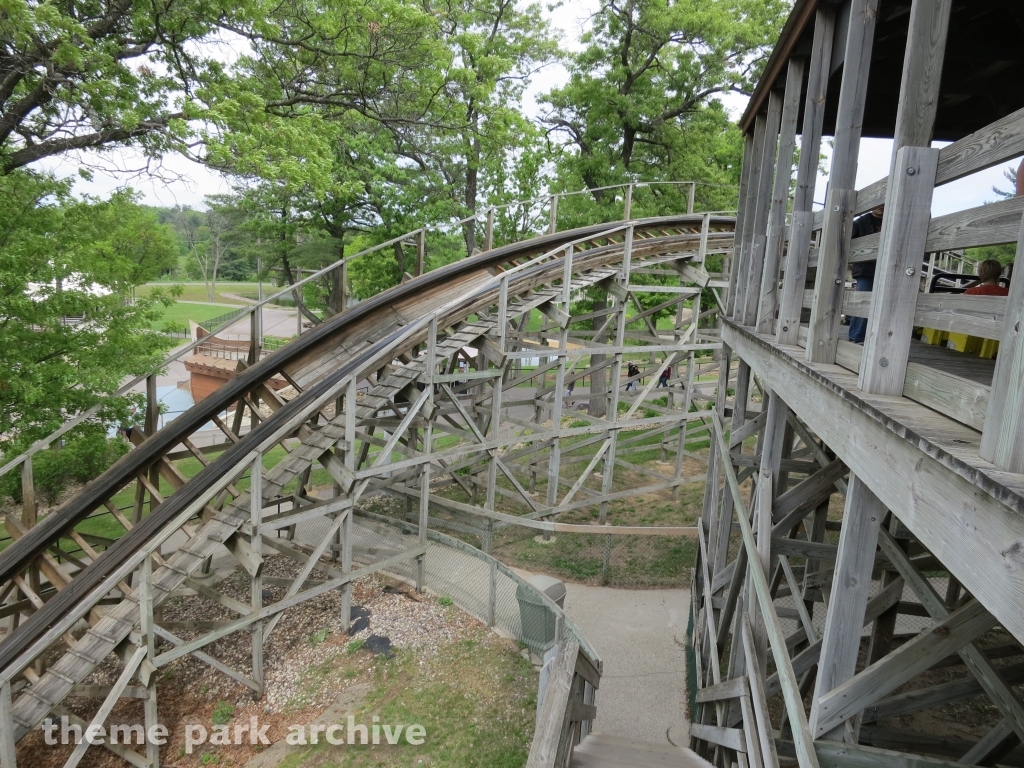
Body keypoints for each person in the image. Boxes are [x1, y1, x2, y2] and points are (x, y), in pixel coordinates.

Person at [847, 205, 885, 344]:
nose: (881, 207)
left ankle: (877, 339)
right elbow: (848, 243)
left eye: (884, 204)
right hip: (866, 269)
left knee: (884, 305)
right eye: (878, 204)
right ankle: (856, 338)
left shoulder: (892, 218)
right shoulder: (860, 222)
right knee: (862, 302)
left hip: (888, 269)